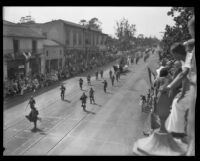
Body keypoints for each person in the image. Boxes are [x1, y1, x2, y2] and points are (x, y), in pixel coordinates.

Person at [164, 43, 192, 143]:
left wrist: (169, 86)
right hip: (190, 88)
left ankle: (176, 132)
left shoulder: (189, 58)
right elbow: (184, 79)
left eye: (173, 54)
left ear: (177, 53)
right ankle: (174, 131)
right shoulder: (183, 60)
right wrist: (183, 93)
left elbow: (182, 75)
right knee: (176, 101)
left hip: (194, 88)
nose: (173, 57)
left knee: (178, 104)